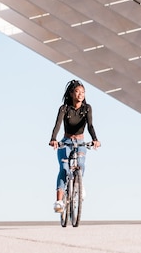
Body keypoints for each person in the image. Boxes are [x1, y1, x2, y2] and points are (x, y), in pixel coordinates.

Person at [49, 79, 101, 213]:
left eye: (83, 92)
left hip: (80, 141)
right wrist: (53, 139)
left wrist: (95, 139)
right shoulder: (64, 109)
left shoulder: (87, 108)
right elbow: (58, 125)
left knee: (81, 164)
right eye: (77, 92)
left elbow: (90, 126)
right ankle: (59, 201)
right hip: (66, 142)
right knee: (64, 168)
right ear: (72, 93)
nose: (80, 94)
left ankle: (79, 184)